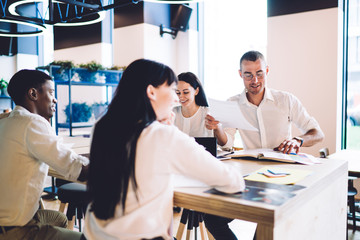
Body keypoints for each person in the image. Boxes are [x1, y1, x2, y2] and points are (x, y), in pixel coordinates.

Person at [84, 59, 245, 240]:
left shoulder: (102, 128)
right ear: (151, 92)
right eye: (171, 89)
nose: (176, 98)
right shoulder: (162, 135)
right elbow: (233, 181)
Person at [204, 50, 325, 239]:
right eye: (248, 75)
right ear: (240, 75)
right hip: (249, 179)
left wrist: (297, 140)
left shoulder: (286, 100)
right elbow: (226, 144)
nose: (255, 80)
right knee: (212, 218)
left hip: (283, 178)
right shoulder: (232, 103)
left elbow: (318, 133)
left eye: (259, 73)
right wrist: (217, 128)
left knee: (264, 227)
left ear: (267, 71)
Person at [0, 69, 89, 240]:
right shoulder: (32, 123)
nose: (55, 99)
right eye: (51, 92)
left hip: (7, 217)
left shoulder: (7, 120)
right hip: (15, 230)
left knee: (59, 219)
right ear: (33, 94)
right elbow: (77, 169)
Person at [173, 72, 230, 146]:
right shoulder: (171, 113)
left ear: (196, 91)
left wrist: (217, 128)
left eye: (186, 92)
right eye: (178, 93)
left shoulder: (209, 114)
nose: (181, 96)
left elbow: (224, 145)